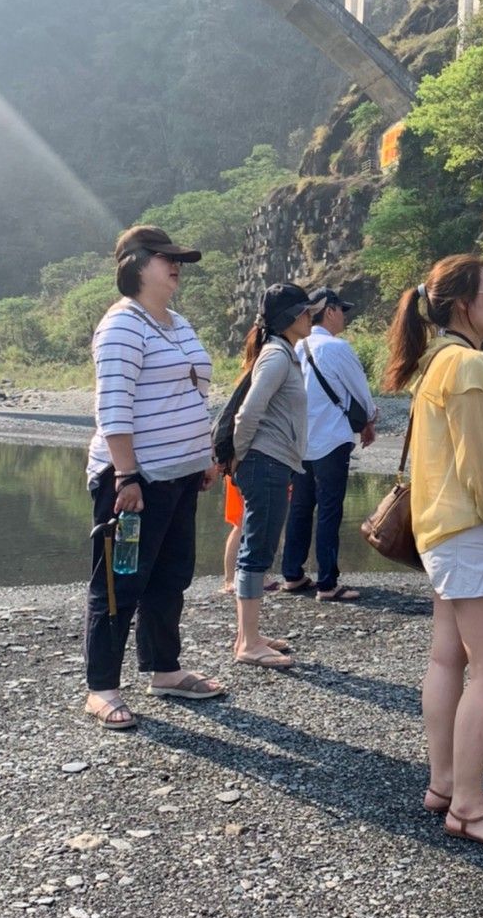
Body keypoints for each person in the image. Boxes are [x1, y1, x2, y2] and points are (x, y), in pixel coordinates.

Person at [383, 254, 483, 850]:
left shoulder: (437, 361)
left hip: (444, 533)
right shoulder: (469, 364)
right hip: (475, 532)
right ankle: (467, 805)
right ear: (466, 304)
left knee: (448, 658)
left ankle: (446, 783)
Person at [84, 225, 225, 730]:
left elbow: (193, 395)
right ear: (136, 264)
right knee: (120, 583)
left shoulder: (178, 323)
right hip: (135, 482)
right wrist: (126, 476)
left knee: (170, 578)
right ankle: (101, 688)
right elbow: (113, 407)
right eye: (167, 258)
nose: (176, 266)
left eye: (178, 259)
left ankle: (164, 670)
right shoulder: (122, 325)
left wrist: (204, 456)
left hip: (181, 477)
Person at [231, 283, 313, 669]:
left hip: (272, 462)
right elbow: (248, 413)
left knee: (259, 546)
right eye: (306, 311)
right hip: (265, 462)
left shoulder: (282, 353)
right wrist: (240, 455)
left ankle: (248, 635)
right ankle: (248, 643)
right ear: (291, 317)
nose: (311, 317)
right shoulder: (278, 356)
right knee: (258, 550)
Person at [280, 287, 377, 602]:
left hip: (298, 442)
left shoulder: (294, 346)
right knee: (329, 510)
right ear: (330, 310)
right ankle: (327, 583)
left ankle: (292, 574)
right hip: (331, 441)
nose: (344, 316)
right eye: (341, 310)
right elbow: (361, 392)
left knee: (300, 507)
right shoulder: (337, 348)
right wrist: (369, 421)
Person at [221, 477, 278, 595]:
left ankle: (234, 579)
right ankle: (231, 580)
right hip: (243, 472)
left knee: (246, 522)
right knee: (242, 523)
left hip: (241, 472)